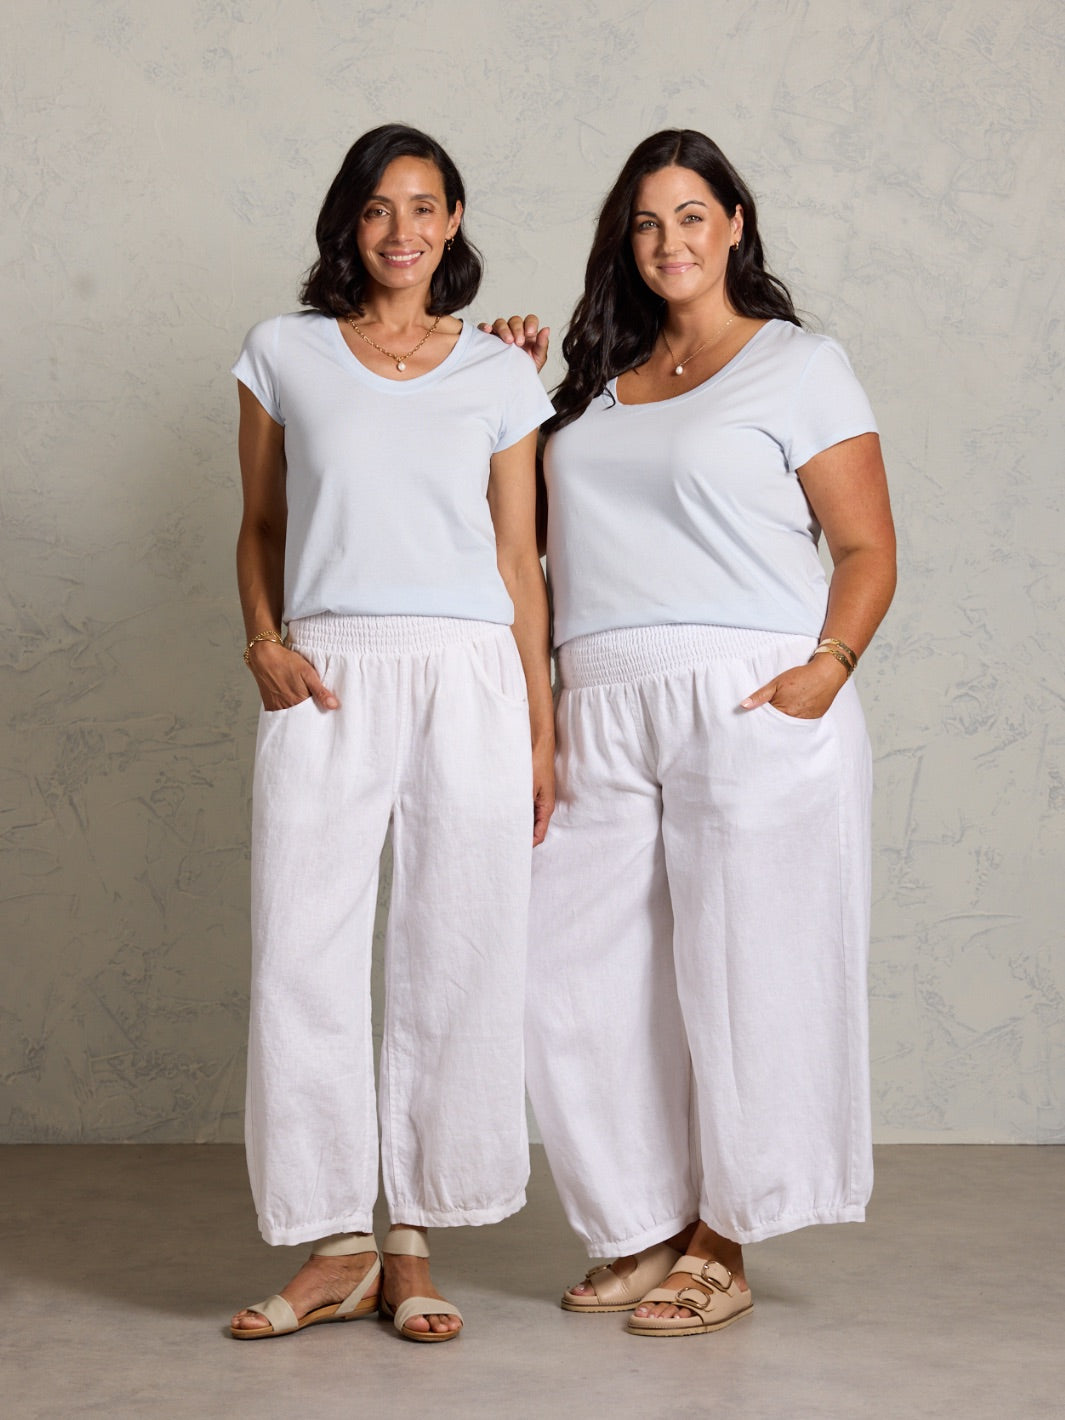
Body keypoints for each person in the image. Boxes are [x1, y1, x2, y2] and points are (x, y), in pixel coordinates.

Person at [483, 128, 896, 1338]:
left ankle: (724, 1238)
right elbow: (514, 542)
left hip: (748, 693)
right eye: (648, 222)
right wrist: (505, 387)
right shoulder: (591, 388)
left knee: (751, 972)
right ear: (627, 240)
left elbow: (866, 546)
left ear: (735, 224)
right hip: (598, 696)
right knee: (566, 971)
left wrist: (825, 670)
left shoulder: (799, 366)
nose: (670, 241)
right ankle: (641, 1223)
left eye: (692, 216)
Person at [229, 123, 555, 1343]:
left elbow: (519, 561)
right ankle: (336, 1244)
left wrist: (540, 729)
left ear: (454, 220)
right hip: (328, 670)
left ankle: (413, 1238)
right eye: (377, 208)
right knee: (300, 948)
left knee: (459, 945)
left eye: (423, 206)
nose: (401, 230)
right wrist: (262, 638)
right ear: (349, 223)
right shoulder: (284, 352)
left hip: (469, 670)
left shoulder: (502, 373)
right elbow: (261, 525)